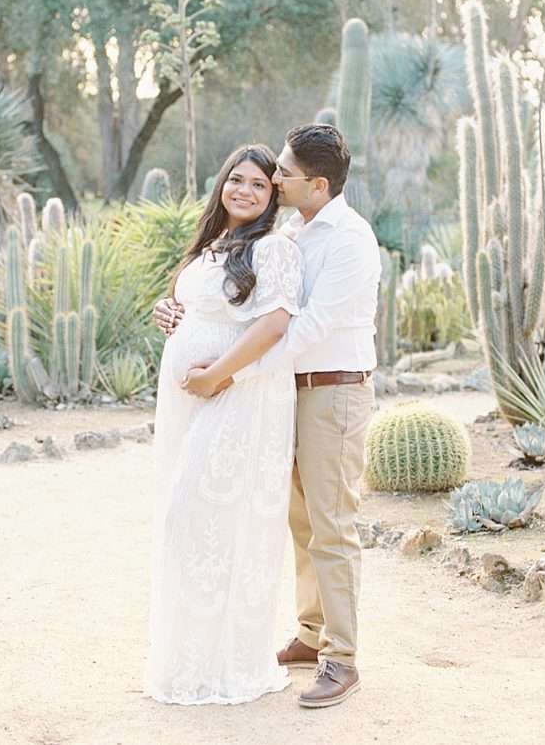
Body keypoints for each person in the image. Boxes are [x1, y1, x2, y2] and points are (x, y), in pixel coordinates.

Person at [154, 124, 381, 709]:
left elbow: (306, 327)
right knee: (300, 521)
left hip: (334, 389)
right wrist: (191, 320)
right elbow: (244, 304)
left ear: (319, 183)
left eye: (283, 173)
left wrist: (229, 372)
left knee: (332, 525)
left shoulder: (351, 239)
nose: (274, 180)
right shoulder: (295, 231)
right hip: (289, 390)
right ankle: (311, 633)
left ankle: (342, 658)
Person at [143, 143, 304, 706]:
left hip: (238, 397)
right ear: (222, 184)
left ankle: (226, 664)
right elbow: (199, 307)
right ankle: (189, 660)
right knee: (186, 522)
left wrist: (218, 377)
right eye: (237, 179)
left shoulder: (273, 247)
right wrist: (168, 313)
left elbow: (275, 324)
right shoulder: (212, 243)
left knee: (204, 517)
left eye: (259, 185)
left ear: (271, 197)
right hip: (191, 399)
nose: (245, 191)